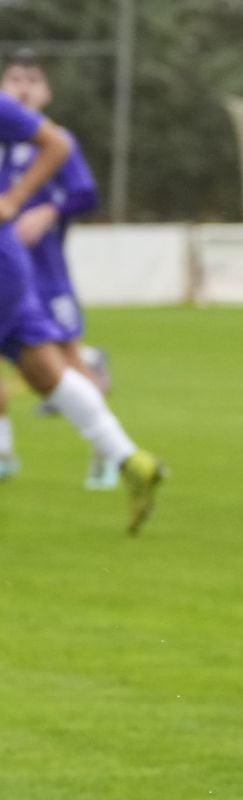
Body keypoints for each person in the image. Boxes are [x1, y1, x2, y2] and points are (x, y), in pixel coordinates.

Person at [0, 89, 164, 530]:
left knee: (56, 364)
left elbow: (59, 146)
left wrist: (15, 200)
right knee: (43, 372)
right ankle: (129, 459)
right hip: (10, 259)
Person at [0, 52, 112, 487]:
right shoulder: (7, 137)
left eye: (33, 79)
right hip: (7, 262)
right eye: (15, 78)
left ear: (47, 92)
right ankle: (5, 450)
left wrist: (47, 209)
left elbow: (84, 193)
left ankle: (109, 449)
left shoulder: (55, 139)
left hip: (45, 270)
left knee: (66, 357)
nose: (24, 86)